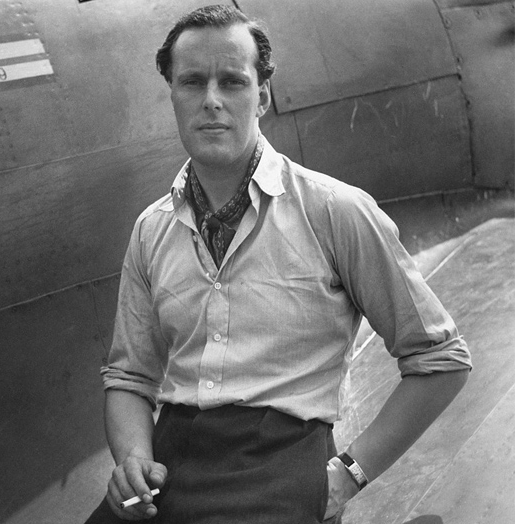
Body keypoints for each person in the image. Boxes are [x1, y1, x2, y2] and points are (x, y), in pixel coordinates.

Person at [86, 5, 471, 523]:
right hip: (169, 465)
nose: (211, 100)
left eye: (232, 82)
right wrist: (132, 460)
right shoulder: (151, 229)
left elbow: (441, 358)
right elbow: (130, 376)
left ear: (262, 96)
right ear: (172, 94)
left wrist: (346, 477)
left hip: (282, 469)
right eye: (192, 82)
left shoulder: (334, 211)